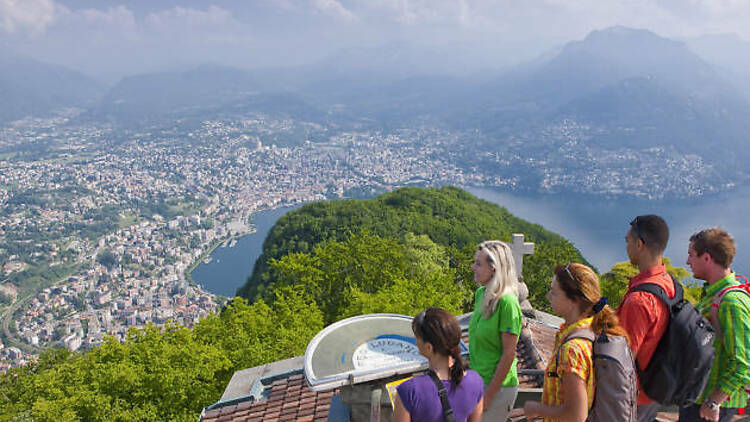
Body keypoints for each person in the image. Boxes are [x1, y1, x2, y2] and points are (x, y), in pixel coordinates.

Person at [524, 263, 630, 422]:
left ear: (574, 300)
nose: (548, 296)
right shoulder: (594, 332)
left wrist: (538, 409)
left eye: (554, 292)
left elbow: (576, 415)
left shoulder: (573, 349)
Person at [680, 228, 750, 422]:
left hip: (712, 407)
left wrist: (714, 401)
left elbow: (743, 363)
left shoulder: (731, 302)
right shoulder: (712, 294)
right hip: (700, 399)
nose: (687, 262)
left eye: (691, 255)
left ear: (707, 258)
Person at [617, 215, 673, 422]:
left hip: (634, 396)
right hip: (655, 389)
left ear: (639, 244)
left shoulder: (639, 300)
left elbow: (623, 358)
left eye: (628, 241)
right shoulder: (669, 284)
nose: (626, 247)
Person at [394, 307, 484, 422]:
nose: (416, 342)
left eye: (417, 338)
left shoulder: (409, 391)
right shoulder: (476, 381)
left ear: (429, 347)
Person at [468, 240, 523, 420]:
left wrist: (489, 395)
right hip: (477, 382)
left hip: (498, 388)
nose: (472, 267)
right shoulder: (480, 295)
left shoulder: (508, 303)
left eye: (478, 264)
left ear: (494, 268)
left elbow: (508, 354)